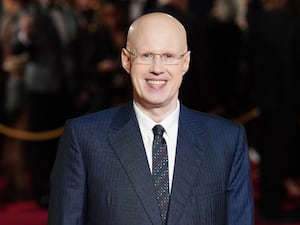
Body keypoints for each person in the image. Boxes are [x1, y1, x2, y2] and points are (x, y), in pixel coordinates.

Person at [47, 12, 254, 225]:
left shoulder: (227, 140)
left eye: (168, 56)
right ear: (126, 61)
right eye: (146, 55)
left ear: (186, 62)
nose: (157, 69)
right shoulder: (84, 138)